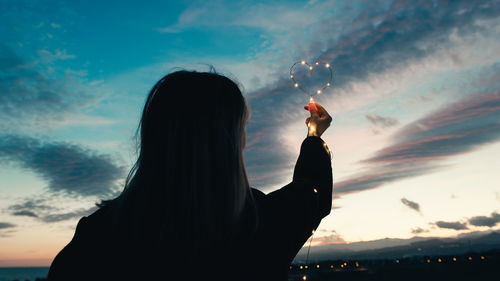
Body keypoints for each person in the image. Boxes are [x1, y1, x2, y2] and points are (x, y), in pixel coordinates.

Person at [47, 70, 333, 281]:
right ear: (229, 142)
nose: (244, 139)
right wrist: (313, 135)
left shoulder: (98, 239)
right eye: (241, 129)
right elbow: (312, 192)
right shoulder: (263, 223)